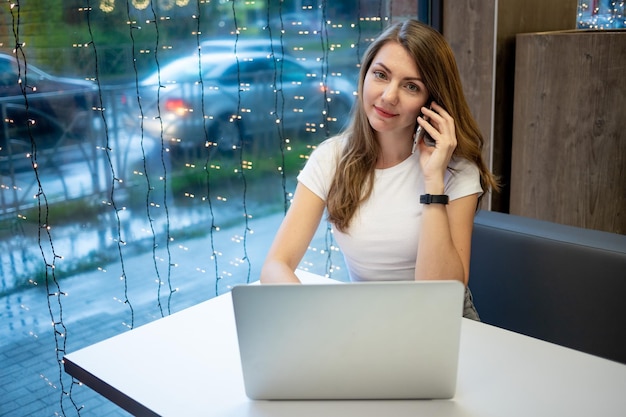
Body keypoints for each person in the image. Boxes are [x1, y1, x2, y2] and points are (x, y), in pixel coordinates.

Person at [260, 19, 499, 319]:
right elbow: (275, 266)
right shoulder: (331, 158)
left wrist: (433, 181)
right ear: (365, 76)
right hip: (367, 322)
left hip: (442, 324)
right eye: (381, 75)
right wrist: (317, 318)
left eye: (411, 86)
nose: (388, 96)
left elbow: (440, 296)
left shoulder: (456, 170)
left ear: (432, 102)